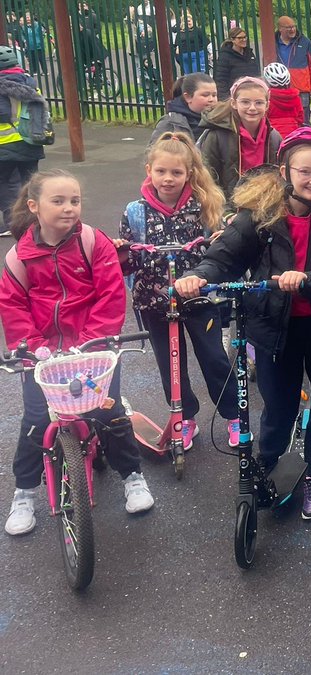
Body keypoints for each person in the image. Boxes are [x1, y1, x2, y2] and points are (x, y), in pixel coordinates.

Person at [177, 128, 311, 520]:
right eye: (305, 172)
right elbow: (223, 255)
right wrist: (198, 274)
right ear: (285, 170)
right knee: (277, 403)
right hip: (272, 326)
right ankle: (268, 459)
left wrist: (309, 280)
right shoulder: (260, 217)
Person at [1, 170, 155, 536]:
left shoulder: (92, 242)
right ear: (34, 206)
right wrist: (33, 346)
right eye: (58, 201)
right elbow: (13, 307)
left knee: (110, 413)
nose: (69, 208)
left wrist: (92, 340)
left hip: (93, 348)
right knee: (37, 420)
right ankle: (24, 493)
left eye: (75, 200)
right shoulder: (18, 257)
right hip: (43, 356)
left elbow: (111, 293)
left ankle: (132, 475)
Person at [116, 133, 240, 448]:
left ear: (188, 174)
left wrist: (219, 239)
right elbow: (129, 263)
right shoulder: (135, 211)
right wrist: (121, 253)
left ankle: (235, 416)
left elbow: (220, 251)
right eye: (161, 171)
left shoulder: (203, 206)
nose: (168, 179)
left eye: (176, 172)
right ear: (149, 170)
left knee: (214, 358)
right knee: (171, 363)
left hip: (197, 298)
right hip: (153, 301)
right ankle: (184, 418)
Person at [197, 76, 282, 200]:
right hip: (227, 204)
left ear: (267, 105)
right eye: (245, 102)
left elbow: (279, 176)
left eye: (259, 103)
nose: (252, 108)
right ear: (234, 103)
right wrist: (225, 212)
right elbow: (207, 178)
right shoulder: (217, 136)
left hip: (264, 202)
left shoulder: (274, 137)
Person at [0, 45, 47, 232]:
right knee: (30, 181)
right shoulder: (29, 82)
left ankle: (12, 222)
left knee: (6, 183)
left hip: (5, 143)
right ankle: (34, 218)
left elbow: (3, 113)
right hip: (31, 140)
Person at [274, 16, 311, 122]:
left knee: (303, 120)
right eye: (289, 27)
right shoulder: (273, 42)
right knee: (285, 118)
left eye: (294, 26)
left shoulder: (304, 42)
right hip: (281, 88)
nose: (293, 29)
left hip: (301, 89)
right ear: (280, 29)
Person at [151, 73, 218, 142]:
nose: (211, 99)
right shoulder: (171, 122)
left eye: (214, 95)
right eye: (205, 95)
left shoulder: (220, 121)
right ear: (188, 97)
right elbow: (153, 150)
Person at [213, 27, 260, 101]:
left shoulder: (250, 53)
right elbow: (221, 79)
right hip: (234, 95)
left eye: (245, 37)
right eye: (240, 38)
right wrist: (225, 98)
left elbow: (256, 73)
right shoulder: (225, 56)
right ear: (232, 40)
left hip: (251, 92)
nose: (244, 40)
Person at [263, 62, 304, 139]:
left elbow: (263, 118)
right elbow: (300, 118)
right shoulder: (296, 97)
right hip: (293, 136)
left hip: (272, 136)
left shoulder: (266, 98)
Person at [75, 2, 109, 70]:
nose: (81, 7)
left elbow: (98, 27)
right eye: (79, 6)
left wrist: (91, 33)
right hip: (82, 39)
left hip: (92, 37)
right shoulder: (77, 16)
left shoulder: (92, 15)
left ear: (87, 6)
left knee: (95, 54)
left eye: (83, 6)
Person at [19, 12, 47, 77]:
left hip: (39, 45)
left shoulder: (38, 24)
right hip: (29, 45)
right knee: (32, 59)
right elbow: (22, 35)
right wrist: (24, 40)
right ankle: (35, 71)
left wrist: (40, 39)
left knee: (41, 58)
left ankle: (45, 71)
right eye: (26, 17)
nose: (28, 19)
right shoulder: (23, 27)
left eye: (28, 17)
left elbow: (43, 32)